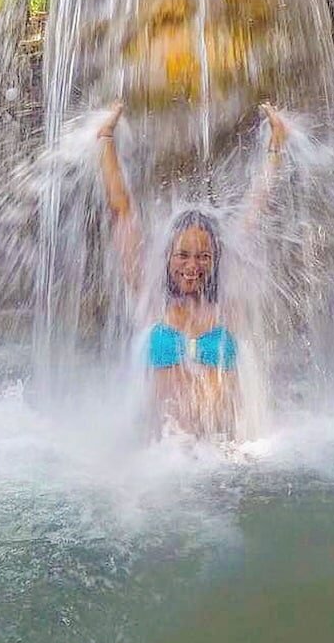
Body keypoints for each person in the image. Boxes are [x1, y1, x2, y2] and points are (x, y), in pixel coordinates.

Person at [97, 101, 287, 438]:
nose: (192, 266)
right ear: (167, 258)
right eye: (182, 255)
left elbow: (257, 210)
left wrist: (275, 148)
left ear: (215, 260)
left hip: (222, 454)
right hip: (165, 457)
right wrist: (106, 139)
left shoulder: (226, 304)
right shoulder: (150, 299)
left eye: (203, 257)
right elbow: (122, 210)